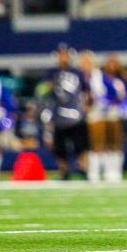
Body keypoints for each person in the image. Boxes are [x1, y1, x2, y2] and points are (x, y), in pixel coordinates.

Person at [79, 50, 127, 182]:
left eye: (88, 62)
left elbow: (112, 92)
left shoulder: (99, 76)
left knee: (106, 142)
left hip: (100, 112)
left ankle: (110, 170)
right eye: (84, 62)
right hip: (83, 114)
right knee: (91, 144)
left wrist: (103, 102)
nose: (86, 65)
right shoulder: (78, 76)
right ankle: (93, 170)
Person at [43, 44, 89, 180]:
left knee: (80, 145)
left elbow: (86, 91)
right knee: (60, 147)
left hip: (76, 115)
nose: (63, 58)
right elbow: (43, 91)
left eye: (66, 55)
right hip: (58, 115)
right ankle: (64, 170)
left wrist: (85, 106)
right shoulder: (51, 73)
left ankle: (83, 168)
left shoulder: (77, 73)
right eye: (61, 55)